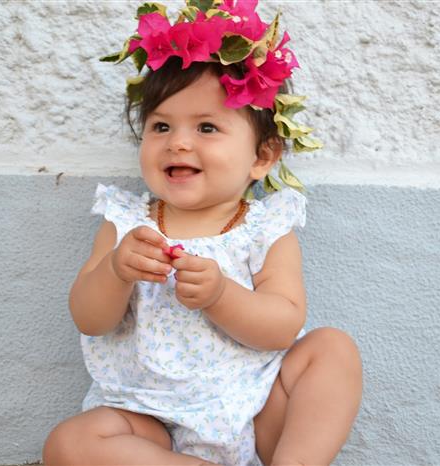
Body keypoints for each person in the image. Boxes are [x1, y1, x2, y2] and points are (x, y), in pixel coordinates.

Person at [43, 1, 362, 464]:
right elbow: (91, 320)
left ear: (262, 157)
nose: (179, 142)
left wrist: (221, 296)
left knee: (333, 349)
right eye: (161, 126)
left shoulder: (265, 227)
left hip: (255, 408)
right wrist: (116, 271)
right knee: (69, 445)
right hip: (148, 420)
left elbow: (282, 326)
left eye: (207, 127)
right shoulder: (127, 222)